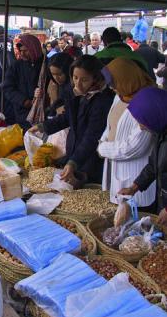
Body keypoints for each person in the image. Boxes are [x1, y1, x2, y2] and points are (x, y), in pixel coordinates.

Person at [29, 55, 114, 187]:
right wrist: (43, 126)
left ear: (95, 78)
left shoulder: (102, 101)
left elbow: (92, 136)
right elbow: (68, 117)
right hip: (75, 151)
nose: (78, 84)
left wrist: (73, 162)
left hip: (91, 158)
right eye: (75, 78)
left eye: (84, 79)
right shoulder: (76, 93)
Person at [98, 58, 156, 209]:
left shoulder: (147, 101)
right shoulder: (121, 95)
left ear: (126, 78)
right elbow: (110, 125)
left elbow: (135, 147)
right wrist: (103, 140)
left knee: (136, 220)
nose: (111, 87)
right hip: (116, 169)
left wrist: (103, 149)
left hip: (136, 178)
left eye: (113, 82)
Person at [118, 87, 167, 224]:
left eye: (142, 121)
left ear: (154, 114)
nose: (140, 127)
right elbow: (153, 166)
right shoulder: (160, 132)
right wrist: (134, 187)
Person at [3, 34, 44, 131]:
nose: (22, 54)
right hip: (22, 114)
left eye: (25, 51)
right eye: (20, 51)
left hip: (42, 114)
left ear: (34, 49)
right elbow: (7, 88)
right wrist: (24, 101)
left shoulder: (45, 64)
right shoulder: (16, 66)